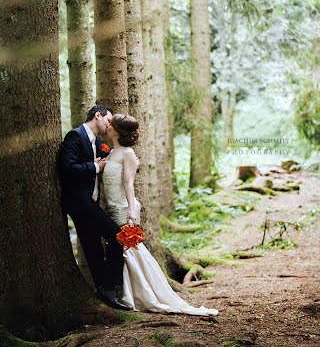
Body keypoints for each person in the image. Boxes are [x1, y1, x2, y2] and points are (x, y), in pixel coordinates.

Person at [102, 113, 218, 315]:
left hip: (122, 206)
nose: (108, 126)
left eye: (111, 124)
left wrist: (130, 208)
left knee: (128, 249)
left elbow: (129, 183)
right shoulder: (112, 152)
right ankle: (124, 290)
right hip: (111, 206)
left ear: (118, 131)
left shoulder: (127, 153)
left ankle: (138, 293)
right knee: (119, 248)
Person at [58, 105, 130, 311]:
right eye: (108, 120)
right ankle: (110, 287)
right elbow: (68, 168)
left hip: (91, 202)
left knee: (93, 247)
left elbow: (108, 158)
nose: (109, 126)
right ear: (97, 116)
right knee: (117, 237)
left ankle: (104, 291)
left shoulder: (97, 141)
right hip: (79, 203)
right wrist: (97, 167)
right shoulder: (75, 136)